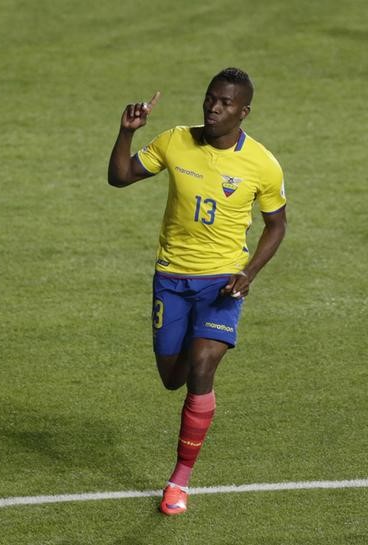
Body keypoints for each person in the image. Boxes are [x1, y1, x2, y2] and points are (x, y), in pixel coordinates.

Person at [107, 67, 287, 515]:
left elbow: (276, 226)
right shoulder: (174, 141)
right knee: (174, 378)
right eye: (210, 98)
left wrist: (249, 273)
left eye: (225, 103)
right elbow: (121, 176)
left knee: (204, 363)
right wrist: (126, 133)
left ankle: (179, 481)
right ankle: (191, 344)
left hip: (222, 282)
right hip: (171, 279)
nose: (213, 107)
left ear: (243, 112)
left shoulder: (262, 163)